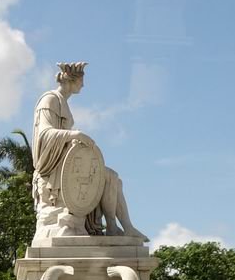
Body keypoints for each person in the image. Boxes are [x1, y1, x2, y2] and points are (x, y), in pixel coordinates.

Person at [32, 62, 148, 240]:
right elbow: (44, 133)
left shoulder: (62, 101)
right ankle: (116, 226)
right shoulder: (50, 100)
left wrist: (73, 140)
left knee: (113, 178)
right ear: (72, 81)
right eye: (81, 81)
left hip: (64, 160)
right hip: (53, 165)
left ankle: (119, 227)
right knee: (108, 176)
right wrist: (74, 134)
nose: (83, 85)